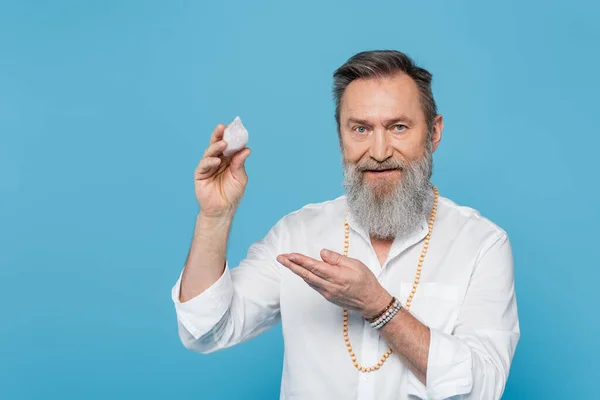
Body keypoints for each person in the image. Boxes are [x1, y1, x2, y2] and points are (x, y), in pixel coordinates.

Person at [171, 50, 520, 400]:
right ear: (341, 135)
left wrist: (379, 306)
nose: (379, 150)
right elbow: (203, 330)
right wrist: (215, 217)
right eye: (361, 129)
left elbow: (483, 387)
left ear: (433, 132)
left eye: (398, 127)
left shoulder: (481, 244)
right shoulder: (297, 234)